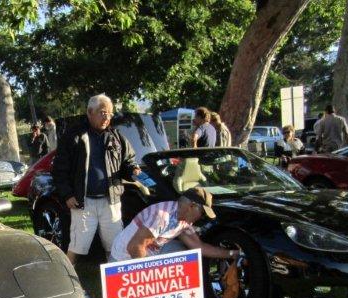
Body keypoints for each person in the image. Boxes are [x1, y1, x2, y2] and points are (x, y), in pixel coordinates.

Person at [51, 93, 141, 265]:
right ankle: (68, 283)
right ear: (89, 112)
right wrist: (67, 194)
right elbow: (59, 170)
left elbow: (128, 161)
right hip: (83, 202)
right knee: (77, 247)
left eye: (110, 113)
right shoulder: (74, 136)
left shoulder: (117, 136)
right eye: (102, 112)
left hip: (111, 202)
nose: (107, 117)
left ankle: (115, 284)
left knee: (114, 246)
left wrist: (133, 170)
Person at [110, 187, 240, 262]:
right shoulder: (162, 216)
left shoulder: (183, 220)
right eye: (202, 213)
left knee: (182, 251)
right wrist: (150, 275)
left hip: (146, 253)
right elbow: (135, 247)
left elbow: (198, 246)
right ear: (191, 206)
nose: (202, 217)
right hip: (123, 258)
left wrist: (231, 254)